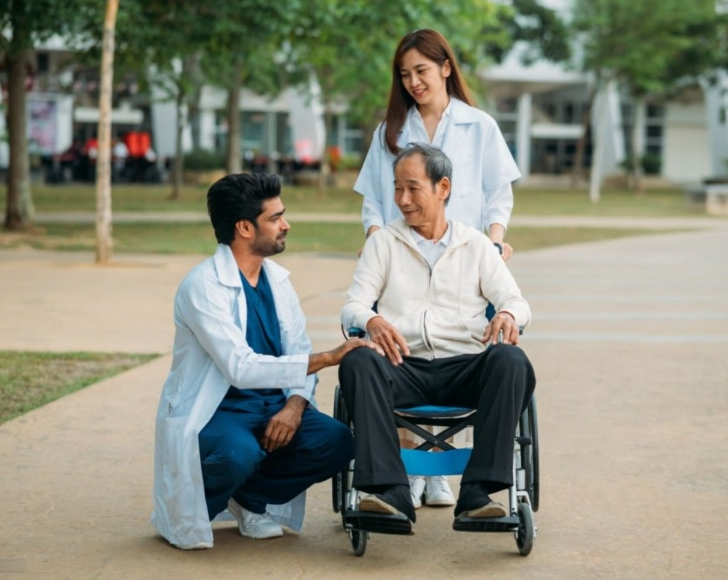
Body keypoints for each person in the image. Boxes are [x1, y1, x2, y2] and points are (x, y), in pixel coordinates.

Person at [151, 173, 382, 550]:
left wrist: (294, 406)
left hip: (272, 404)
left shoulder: (277, 280)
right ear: (244, 227)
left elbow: (296, 347)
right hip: (217, 412)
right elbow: (240, 367)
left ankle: (249, 499)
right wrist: (327, 358)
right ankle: (196, 507)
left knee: (337, 442)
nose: (285, 225)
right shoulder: (203, 287)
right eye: (275, 218)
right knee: (236, 454)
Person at [354, 28, 522, 507]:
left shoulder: (479, 125)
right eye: (405, 75)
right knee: (403, 345)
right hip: (402, 255)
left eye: (422, 71)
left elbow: (498, 194)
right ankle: (408, 469)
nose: (414, 83)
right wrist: (379, 246)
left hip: (467, 259)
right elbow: (373, 200)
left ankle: (443, 473)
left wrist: (492, 241)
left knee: (461, 345)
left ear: (446, 67)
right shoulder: (390, 130)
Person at [339, 143, 535, 533]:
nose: (403, 199)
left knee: (512, 360)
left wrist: (511, 313)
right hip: (401, 364)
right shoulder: (383, 243)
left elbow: (515, 300)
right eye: (397, 189)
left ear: (443, 187)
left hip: (464, 368)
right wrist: (372, 318)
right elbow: (352, 307)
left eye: (413, 188)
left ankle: (478, 494)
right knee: (358, 360)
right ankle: (389, 493)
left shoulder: (476, 245)